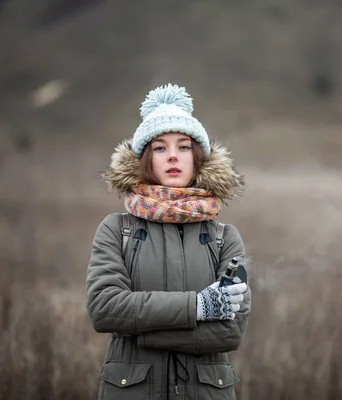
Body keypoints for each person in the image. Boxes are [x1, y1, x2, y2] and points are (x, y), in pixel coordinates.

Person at [86, 83, 250, 400]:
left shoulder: (224, 237)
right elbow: (104, 308)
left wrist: (141, 332)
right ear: (146, 159)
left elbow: (231, 331)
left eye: (184, 146)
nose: (173, 155)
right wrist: (199, 307)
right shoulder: (116, 230)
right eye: (160, 147)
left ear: (198, 157)